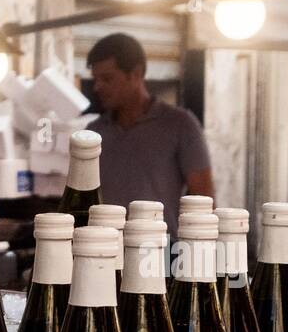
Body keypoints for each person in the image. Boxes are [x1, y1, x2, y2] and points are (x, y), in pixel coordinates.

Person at [86, 33, 215, 235]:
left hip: (160, 252)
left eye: (107, 78)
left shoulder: (180, 125)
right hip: (104, 250)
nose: (97, 87)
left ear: (136, 74)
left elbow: (204, 200)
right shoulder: (94, 133)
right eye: (95, 79)